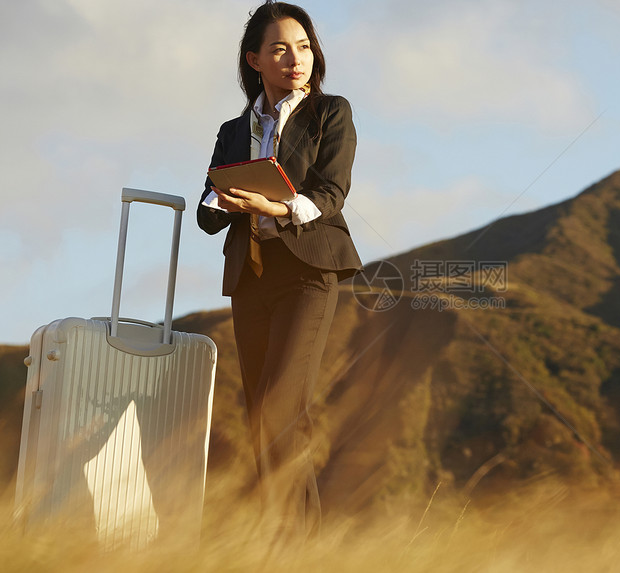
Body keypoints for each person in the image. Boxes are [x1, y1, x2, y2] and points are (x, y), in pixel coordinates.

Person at [197, 1, 362, 539]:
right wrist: (227, 202)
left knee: (280, 405)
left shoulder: (330, 113)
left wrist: (278, 207)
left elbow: (331, 193)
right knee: (263, 417)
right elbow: (207, 208)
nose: (296, 58)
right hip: (251, 278)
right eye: (280, 48)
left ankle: (291, 546)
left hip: (309, 272)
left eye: (305, 46)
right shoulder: (232, 129)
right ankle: (292, 542)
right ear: (254, 60)